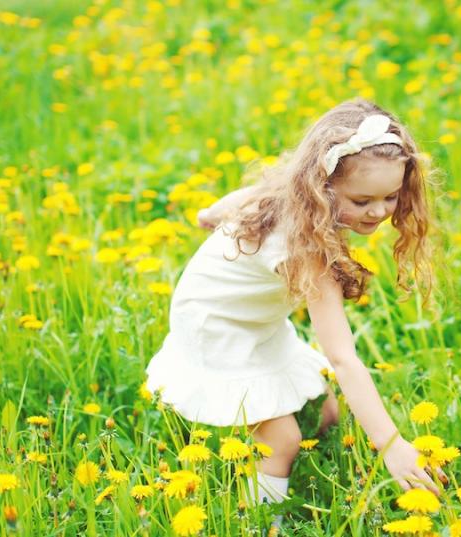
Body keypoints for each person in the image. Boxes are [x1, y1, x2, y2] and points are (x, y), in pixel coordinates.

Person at [144, 98, 444, 526]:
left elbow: (241, 198)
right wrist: (392, 444)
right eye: (362, 201)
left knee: (324, 412)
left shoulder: (296, 198)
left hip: (257, 319)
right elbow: (342, 356)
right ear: (321, 188)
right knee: (282, 440)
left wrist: (209, 215)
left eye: (390, 197)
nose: (378, 212)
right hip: (215, 324)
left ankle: (315, 471)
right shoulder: (309, 254)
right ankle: (262, 522)